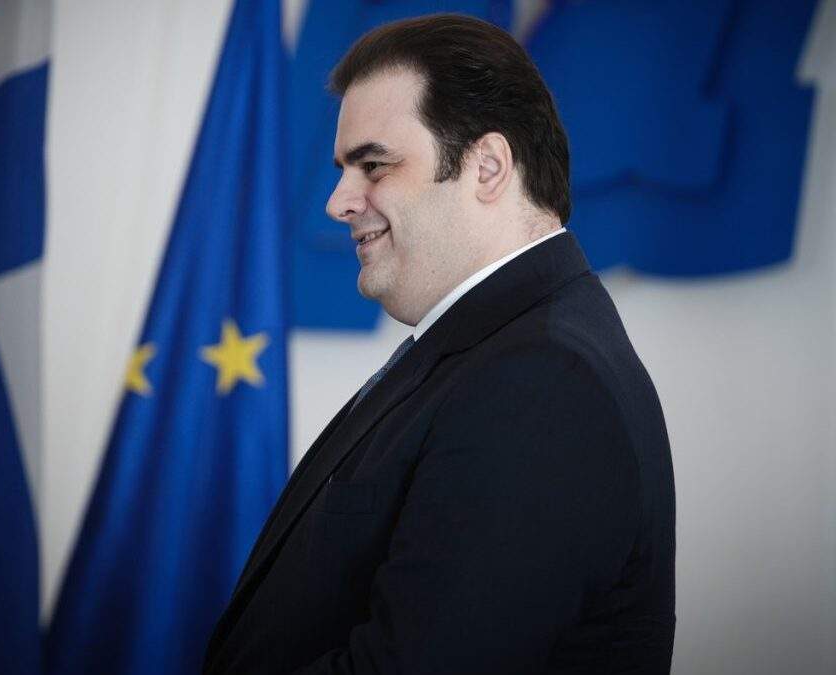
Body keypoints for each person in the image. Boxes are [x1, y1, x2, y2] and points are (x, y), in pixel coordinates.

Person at [203, 13, 675, 674]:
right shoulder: (495, 349)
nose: (338, 202)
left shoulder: (543, 381)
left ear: (487, 168)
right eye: (345, 169)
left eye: (374, 165)